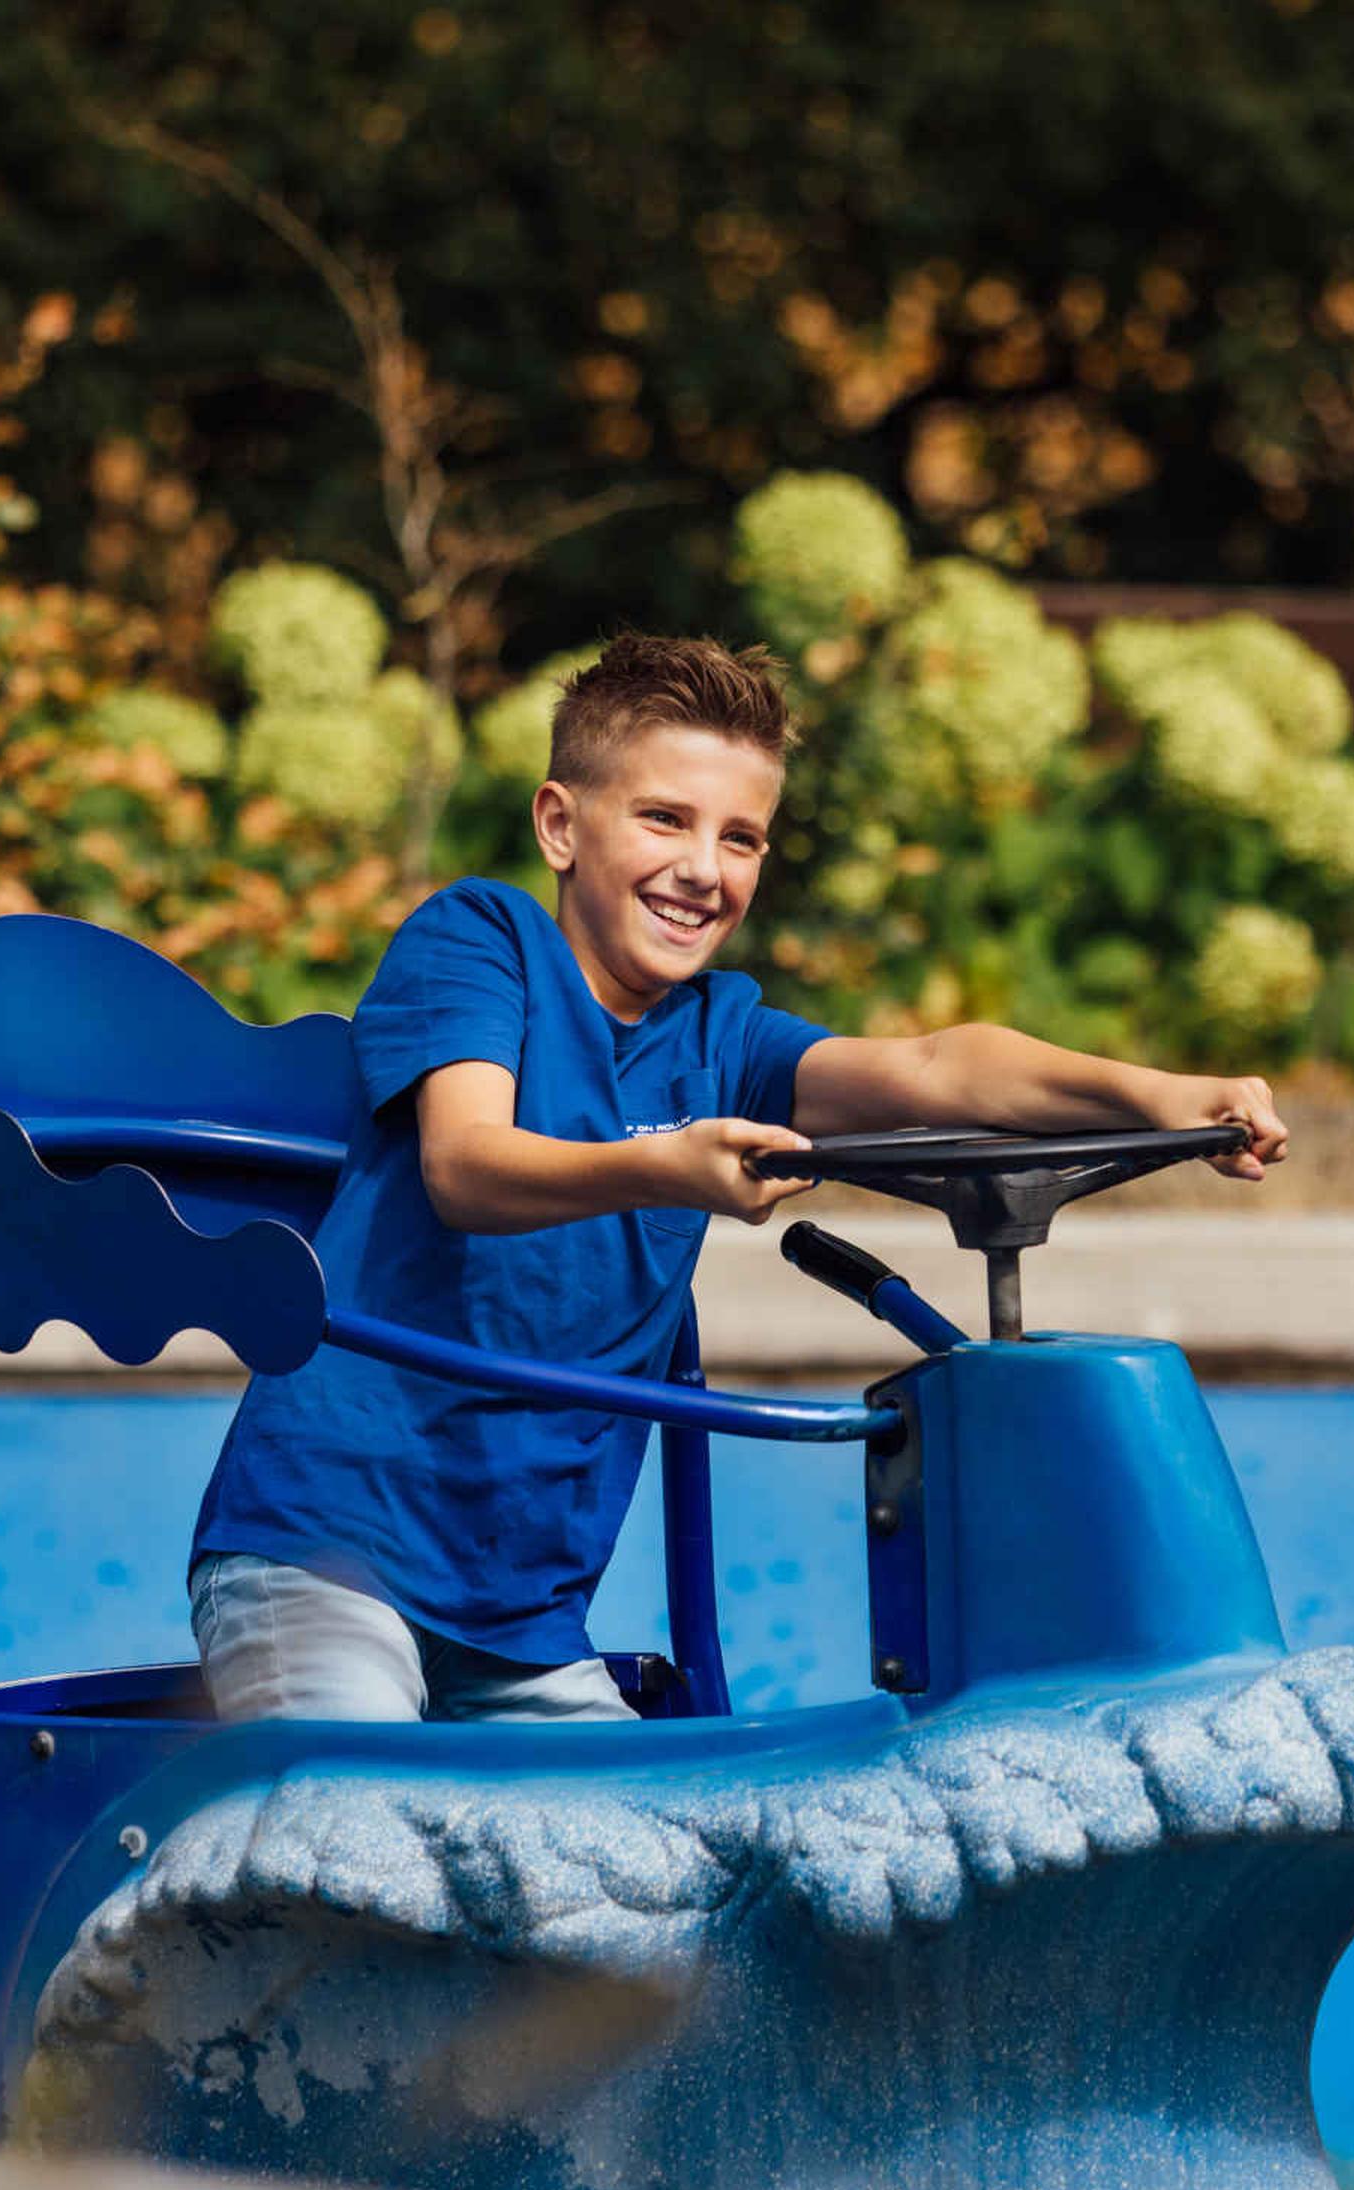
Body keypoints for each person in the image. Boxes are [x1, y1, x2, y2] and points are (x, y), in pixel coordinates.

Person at [188, 632, 1289, 1723]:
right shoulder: (485, 942)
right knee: (361, 1821)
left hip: (520, 1621)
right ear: (561, 825)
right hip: (328, 1553)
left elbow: (935, 1067)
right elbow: (467, 1166)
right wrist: (665, 1166)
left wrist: (1159, 1096)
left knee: (649, 1878)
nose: (703, 869)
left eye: (742, 838)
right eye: (664, 818)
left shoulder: (725, 1034)